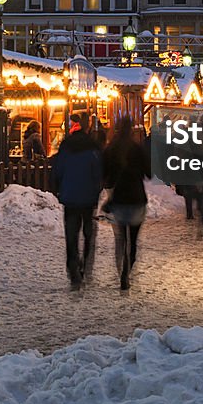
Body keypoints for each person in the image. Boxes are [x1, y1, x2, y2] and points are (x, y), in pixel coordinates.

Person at [51, 112, 102, 289]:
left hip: (70, 197)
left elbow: (58, 171)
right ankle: (85, 265)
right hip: (88, 198)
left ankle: (73, 268)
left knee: (71, 235)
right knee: (88, 233)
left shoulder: (65, 148)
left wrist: (59, 189)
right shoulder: (93, 149)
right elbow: (98, 174)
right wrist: (97, 191)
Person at [102, 117, 151, 290]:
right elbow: (149, 173)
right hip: (137, 198)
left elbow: (105, 173)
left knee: (121, 238)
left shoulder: (112, 148)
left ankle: (121, 271)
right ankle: (127, 272)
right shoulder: (137, 148)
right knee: (133, 240)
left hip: (119, 199)